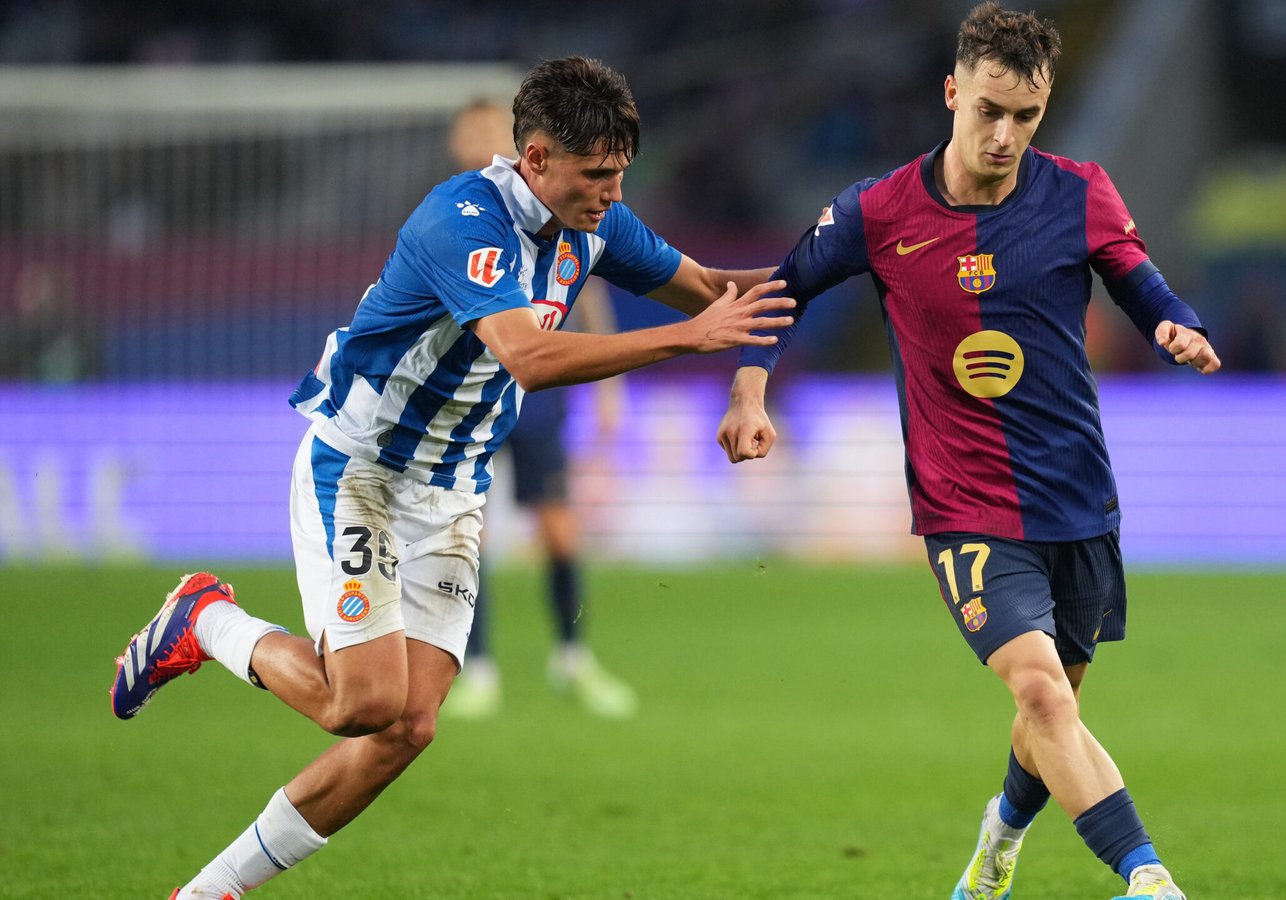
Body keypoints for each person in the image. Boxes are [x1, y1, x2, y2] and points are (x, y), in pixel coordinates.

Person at [110, 56, 792, 898]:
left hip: (453, 488)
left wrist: (850, 262)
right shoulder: (461, 220)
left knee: (408, 727)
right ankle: (205, 618)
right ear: (535, 158)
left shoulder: (597, 222)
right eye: (596, 175)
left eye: (621, 174)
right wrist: (691, 342)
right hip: (361, 471)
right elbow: (529, 355)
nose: (613, 193)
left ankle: (209, 890)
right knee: (358, 706)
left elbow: (718, 293)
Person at [716, 6, 1219, 900]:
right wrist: (749, 389)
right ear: (954, 92)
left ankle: (1001, 837)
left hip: (1076, 494)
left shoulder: (1079, 192)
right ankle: (1148, 879)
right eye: (989, 109)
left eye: (1025, 116)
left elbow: (1141, 281)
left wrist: (1175, 323)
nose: (1004, 133)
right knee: (1039, 691)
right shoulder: (879, 210)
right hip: (965, 504)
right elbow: (781, 291)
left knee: (1054, 703)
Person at [441, 98, 638, 720]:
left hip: (535, 395)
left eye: (488, 129)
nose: (478, 141)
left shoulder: (559, 212)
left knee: (558, 525)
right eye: (469, 131)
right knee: (471, 534)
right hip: (464, 397)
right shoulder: (457, 212)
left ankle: (572, 658)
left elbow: (590, 288)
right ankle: (476, 669)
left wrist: (610, 388)